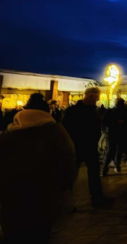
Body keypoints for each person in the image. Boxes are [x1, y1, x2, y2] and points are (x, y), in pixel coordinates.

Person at [0, 93, 77, 243]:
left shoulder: (9, 133)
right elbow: (68, 159)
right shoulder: (55, 131)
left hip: (11, 191)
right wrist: (65, 186)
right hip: (44, 190)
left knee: (12, 229)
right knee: (39, 230)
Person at [63, 87, 109, 206]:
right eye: (96, 97)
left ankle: (97, 197)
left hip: (90, 145)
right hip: (77, 145)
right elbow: (66, 128)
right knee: (71, 174)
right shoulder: (74, 111)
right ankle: (66, 201)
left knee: (93, 172)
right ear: (90, 96)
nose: (97, 99)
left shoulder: (94, 110)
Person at [102, 98, 127, 176]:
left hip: (112, 133)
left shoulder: (111, 111)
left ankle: (104, 169)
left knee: (109, 151)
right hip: (122, 133)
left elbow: (105, 121)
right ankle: (117, 166)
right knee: (119, 150)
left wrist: (113, 123)